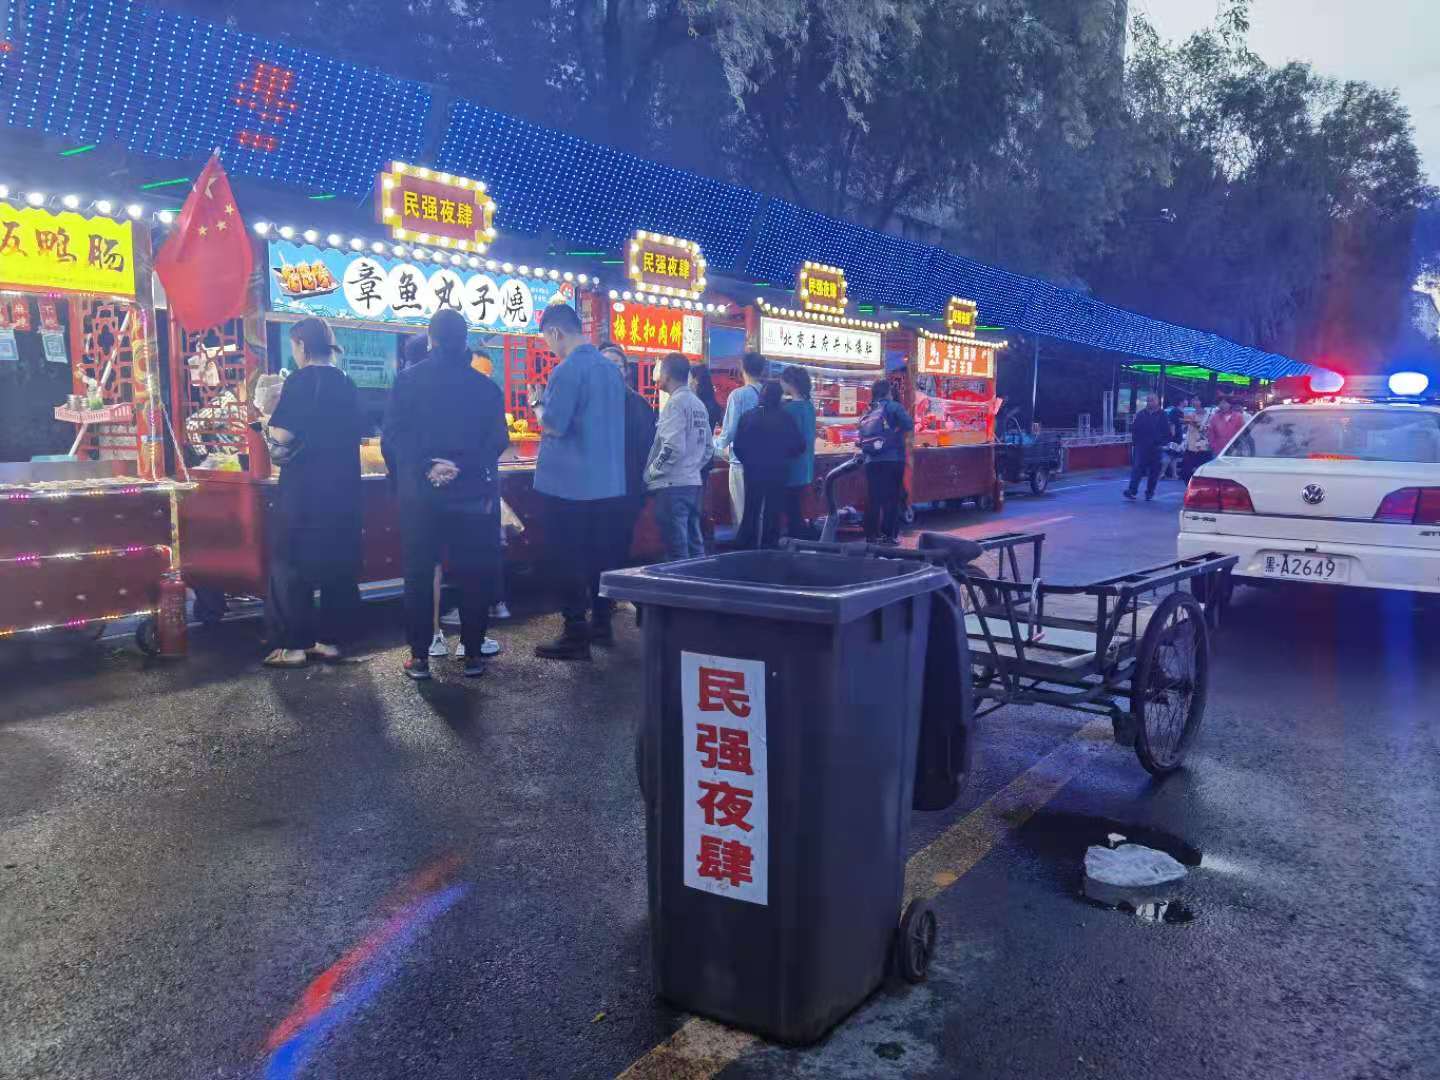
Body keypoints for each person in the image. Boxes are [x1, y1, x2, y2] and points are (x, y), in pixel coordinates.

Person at [383, 308, 510, 680]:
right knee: (474, 573)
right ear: (465, 341)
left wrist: (427, 467)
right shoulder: (486, 388)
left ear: (431, 339)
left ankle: (420, 657)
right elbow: (497, 440)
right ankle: (472, 654)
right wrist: (461, 468)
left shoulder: (407, 382)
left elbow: (393, 437)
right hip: (472, 497)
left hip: (421, 499)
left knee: (419, 575)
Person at [262, 317, 365, 668]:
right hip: (344, 490)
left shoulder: (301, 380)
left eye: (294, 346)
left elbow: (283, 434)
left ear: (302, 346)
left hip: (305, 489)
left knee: (289, 562)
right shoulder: (346, 382)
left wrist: (266, 422)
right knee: (338, 563)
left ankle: (293, 646)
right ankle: (331, 642)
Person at [532, 303, 626, 660]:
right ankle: (601, 624)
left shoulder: (567, 370)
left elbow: (555, 425)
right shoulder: (611, 371)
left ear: (556, 332)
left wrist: (538, 407)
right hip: (608, 483)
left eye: (547, 339)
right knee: (600, 558)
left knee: (567, 558)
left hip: (569, 486)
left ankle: (575, 634)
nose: (549, 347)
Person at [600, 342, 657, 596]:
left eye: (617, 364)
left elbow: (648, 449)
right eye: (605, 364)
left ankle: (611, 597)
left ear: (626, 370)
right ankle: (600, 598)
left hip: (627, 489)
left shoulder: (639, 404)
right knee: (595, 547)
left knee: (619, 545)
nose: (612, 369)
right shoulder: (588, 403)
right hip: (594, 490)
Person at [646, 352, 714, 560]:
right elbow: (708, 448)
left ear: (667, 375)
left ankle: (681, 581)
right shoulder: (698, 404)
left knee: (677, 550)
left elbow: (672, 448)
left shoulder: (675, 404)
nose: (657, 378)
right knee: (695, 545)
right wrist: (692, 467)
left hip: (672, 486)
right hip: (693, 483)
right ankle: (699, 579)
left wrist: (651, 473)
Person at [732, 380, 805, 548]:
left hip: (753, 471)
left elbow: (738, 446)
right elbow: (800, 446)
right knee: (773, 511)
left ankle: (746, 546)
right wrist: (784, 457)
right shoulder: (786, 418)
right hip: (778, 471)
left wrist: (749, 462)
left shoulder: (748, 416)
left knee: (751, 509)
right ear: (779, 397)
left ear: (761, 396)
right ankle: (769, 547)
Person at [716, 352, 767, 534]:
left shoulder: (738, 395)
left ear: (743, 369)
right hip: (765, 461)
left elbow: (728, 432)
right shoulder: (769, 394)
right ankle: (759, 545)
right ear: (762, 370)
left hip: (740, 462)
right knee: (760, 511)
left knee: (741, 511)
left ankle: (744, 545)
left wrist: (713, 446)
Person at [858, 378, 913, 545]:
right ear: (888, 392)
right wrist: (896, 431)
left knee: (873, 498)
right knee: (892, 498)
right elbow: (908, 424)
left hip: (871, 460)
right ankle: (889, 536)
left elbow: (861, 433)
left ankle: (871, 535)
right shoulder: (894, 406)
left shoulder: (869, 409)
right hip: (892, 458)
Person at [779, 366, 817, 540]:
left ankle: (796, 539)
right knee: (797, 505)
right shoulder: (809, 406)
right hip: (806, 464)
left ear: (790, 383)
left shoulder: (789, 409)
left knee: (791, 507)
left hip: (791, 465)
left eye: (782, 380)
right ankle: (800, 536)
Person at [1124, 393, 1170, 501]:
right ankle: (1132, 491)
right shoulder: (1141, 414)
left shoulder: (1162, 415)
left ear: (1157, 401)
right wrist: (1135, 442)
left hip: (1156, 447)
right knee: (1137, 469)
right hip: (1141, 446)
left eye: (1152, 400)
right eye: (1148, 400)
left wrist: (1162, 442)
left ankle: (1150, 492)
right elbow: (1135, 429)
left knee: (1154, 471)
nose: (1150, 402)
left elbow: (1166, 431)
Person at [690, 364, 725, 432]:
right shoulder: (713, 404)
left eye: (690, 378)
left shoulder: (697, 405)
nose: (689, 382)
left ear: (696, 380)